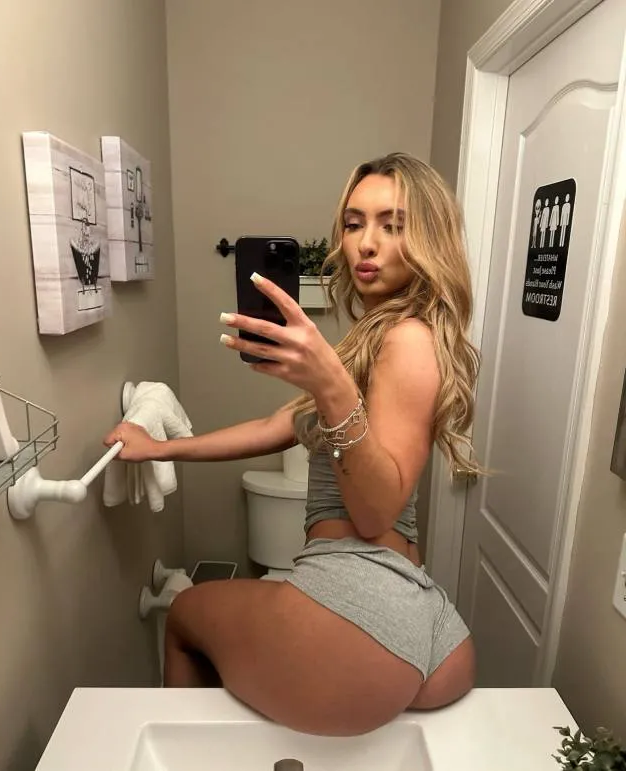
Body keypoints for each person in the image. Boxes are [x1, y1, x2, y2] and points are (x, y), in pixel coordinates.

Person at [103, 152, 480, 737]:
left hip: (357, 605)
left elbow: (374, 512)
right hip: (422, 616)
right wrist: (159, 448)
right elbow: (274, 427)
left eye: (393, 225)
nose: (366, 243)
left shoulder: (407, 339)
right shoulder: (374, 336)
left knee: (182, 614)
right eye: (354, 223)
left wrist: (330, 385)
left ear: (429, 237)